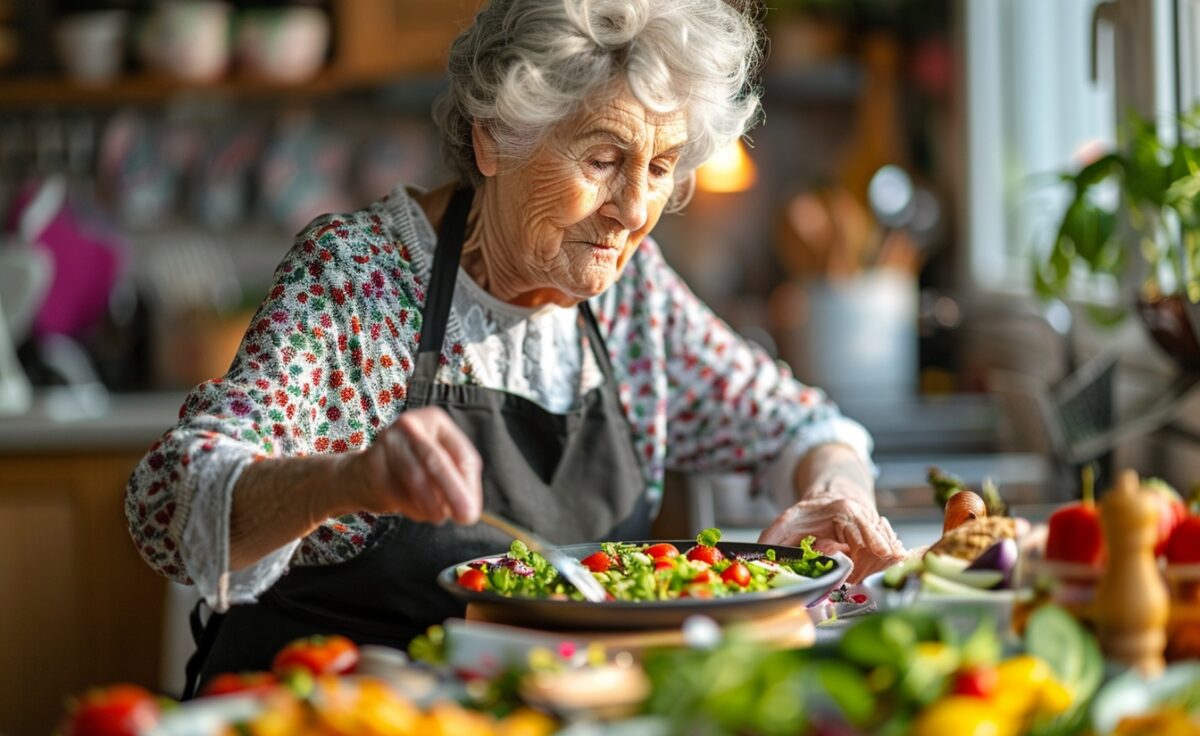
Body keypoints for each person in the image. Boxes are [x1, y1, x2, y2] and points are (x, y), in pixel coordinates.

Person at [126, 0, 905, 696]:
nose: (633, 210)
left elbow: (802, 426)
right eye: (602, 160)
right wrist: (346, 479)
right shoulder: (359, 278)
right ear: (493, 139)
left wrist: (840, 493)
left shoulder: (633, 298)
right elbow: (172, 503)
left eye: (661, 168)